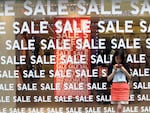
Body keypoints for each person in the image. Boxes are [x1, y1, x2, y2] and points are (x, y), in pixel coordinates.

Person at [107, 49, 131, 113]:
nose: (118, 61)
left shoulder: (126, 65)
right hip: (115, 87)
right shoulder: (110, 66)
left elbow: (129, 77)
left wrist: (123, 70)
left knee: (119, 108)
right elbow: (108, 79)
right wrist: (114, 71)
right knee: (116, 109)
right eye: (117, 58)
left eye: (120, 59)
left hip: (123, 87)